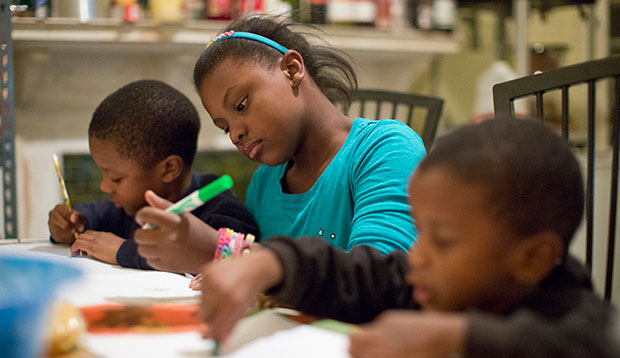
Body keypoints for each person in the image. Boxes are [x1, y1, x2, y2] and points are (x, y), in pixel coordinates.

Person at [196, 118, 620, 358]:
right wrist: (269, 262)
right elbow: (356, 272)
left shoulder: (569, 316)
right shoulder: (429, 284)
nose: (417, 257)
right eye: (421, 232)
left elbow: (590, 345)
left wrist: (450, 337)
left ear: (530, 259)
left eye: (444, 241)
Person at [132, 15, 426, 273]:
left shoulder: (386, 148)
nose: (235, 134)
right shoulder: (264, 183)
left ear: (292, 69)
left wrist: (225, 251)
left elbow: (380, 277)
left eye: (242, 105)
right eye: (225, 128)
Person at [48, 80, 258, 272]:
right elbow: (95, 215)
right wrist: (72, 223)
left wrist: (122, 251)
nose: (104, 187)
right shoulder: (133, 207)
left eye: (116, 179)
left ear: (168, 169)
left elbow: (214, 259)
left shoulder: (222, 212)